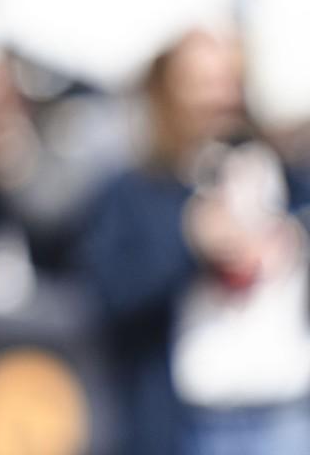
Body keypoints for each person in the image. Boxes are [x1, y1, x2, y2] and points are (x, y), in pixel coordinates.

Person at [82, 29, 310, 455]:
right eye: (202, 83)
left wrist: (290, 239)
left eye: (229, 81)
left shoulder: (283, 176)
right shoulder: (139, 190)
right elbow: (107, 296)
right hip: (188, 418)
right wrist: (190, 241)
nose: (219, 97)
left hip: (285, 407)